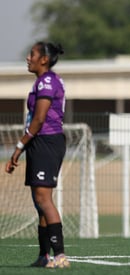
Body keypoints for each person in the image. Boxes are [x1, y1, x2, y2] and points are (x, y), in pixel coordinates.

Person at [5, 42, 69, 268]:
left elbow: (39, 119)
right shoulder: (41, 81)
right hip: (39, 143)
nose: (27, 58)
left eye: (31, 54)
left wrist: (19, 147)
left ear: (44, 59)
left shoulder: (48, 81)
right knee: (38, 201)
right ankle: (44, 255)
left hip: (46, 142)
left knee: (44, 199)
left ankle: (60, 255)